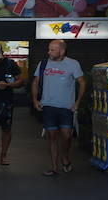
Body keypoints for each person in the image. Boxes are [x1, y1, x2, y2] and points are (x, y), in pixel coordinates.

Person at [32, 40, 86, 176]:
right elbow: (35, 82)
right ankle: (54, 167)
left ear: (62, 51)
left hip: (66, 107)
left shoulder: (73, 64)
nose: (49, 52)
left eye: (52, 50)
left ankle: (65, 157)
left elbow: (82, 82)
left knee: (67, 136)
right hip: (48, 106)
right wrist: (35, 100)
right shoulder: (43, 64)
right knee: (52, 137)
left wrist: (78, 102)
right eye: (49, 49)